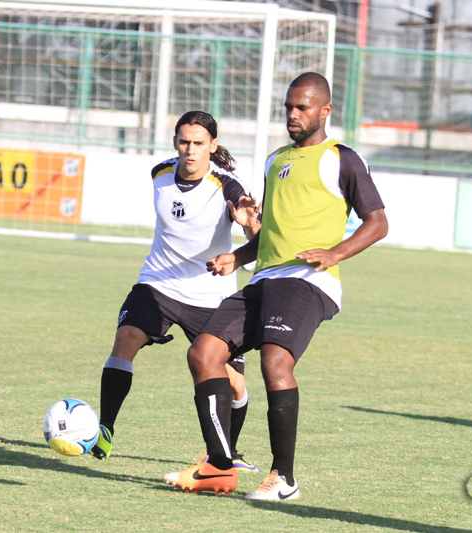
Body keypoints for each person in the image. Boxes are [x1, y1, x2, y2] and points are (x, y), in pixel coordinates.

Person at [163, 72, 389, 499]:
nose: (293, 114)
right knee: (203, 353)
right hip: (265, 276)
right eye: (288, 107)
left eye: (303, 107)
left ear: (325, 110)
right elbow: (270, 232)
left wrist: (335, 253)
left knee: (274, 361)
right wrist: (238, 256)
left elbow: (378, 223)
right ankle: (218, 466)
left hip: (307, 280)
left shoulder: (341, 159)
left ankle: (283, 478)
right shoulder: (275, 160)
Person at [93, 110, 261, 473]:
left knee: (234, 384)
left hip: (211, 295)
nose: (190, 149)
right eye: (184, 142)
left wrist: (249, 225)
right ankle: (104, 429)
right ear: (175, 143)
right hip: (159, 283)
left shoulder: (228, 185)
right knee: (125, 338)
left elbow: (255, 233)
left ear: (212, 146)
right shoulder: (159, 173)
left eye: (199, 143)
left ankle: (227, 451)